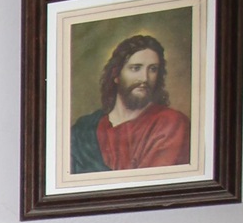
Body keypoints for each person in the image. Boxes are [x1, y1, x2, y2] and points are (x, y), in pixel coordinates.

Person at [70, 34, 190, 172]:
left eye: (153, 69)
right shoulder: (84, 130)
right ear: (116, 75)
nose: (144, 78)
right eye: (136, 68)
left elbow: (148, 185)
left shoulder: (170, 123)